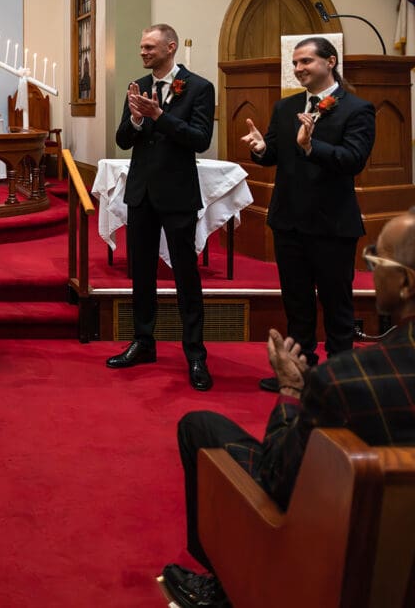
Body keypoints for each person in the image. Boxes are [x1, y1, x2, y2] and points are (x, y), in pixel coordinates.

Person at [162, 208, 415, 608]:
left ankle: (227, 585)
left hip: (338, 553)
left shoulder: (345, 379)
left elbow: (277, 478)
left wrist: (291, 390)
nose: (368, 269)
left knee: (199, 427)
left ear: (404, 283)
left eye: (375, 260)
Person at [242, 37, 375, 393]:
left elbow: (354, 160)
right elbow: (273, 155)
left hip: (332, 224)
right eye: (296, 63)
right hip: (289, 221)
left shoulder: (357, 109)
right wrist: (260, 148)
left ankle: (340, 378)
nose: (299, 68)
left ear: (330, 61)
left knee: (337, 306)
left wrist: (312, 146)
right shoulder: (286, 108)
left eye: (306, 62)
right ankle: (298, 371)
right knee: (297, 304)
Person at [107, 24, 215, 391]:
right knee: (141, 272)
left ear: (170, 47)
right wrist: (137, 118)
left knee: (186, 275)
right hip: (141, 193)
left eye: (150, 46)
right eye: (141, 47)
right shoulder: (137, 86)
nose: (143, 52)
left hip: (178, 193)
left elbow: (200, 139)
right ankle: (143, 342)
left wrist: (159, 117)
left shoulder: (199, 88)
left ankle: (196, 354)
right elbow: (123, 140)